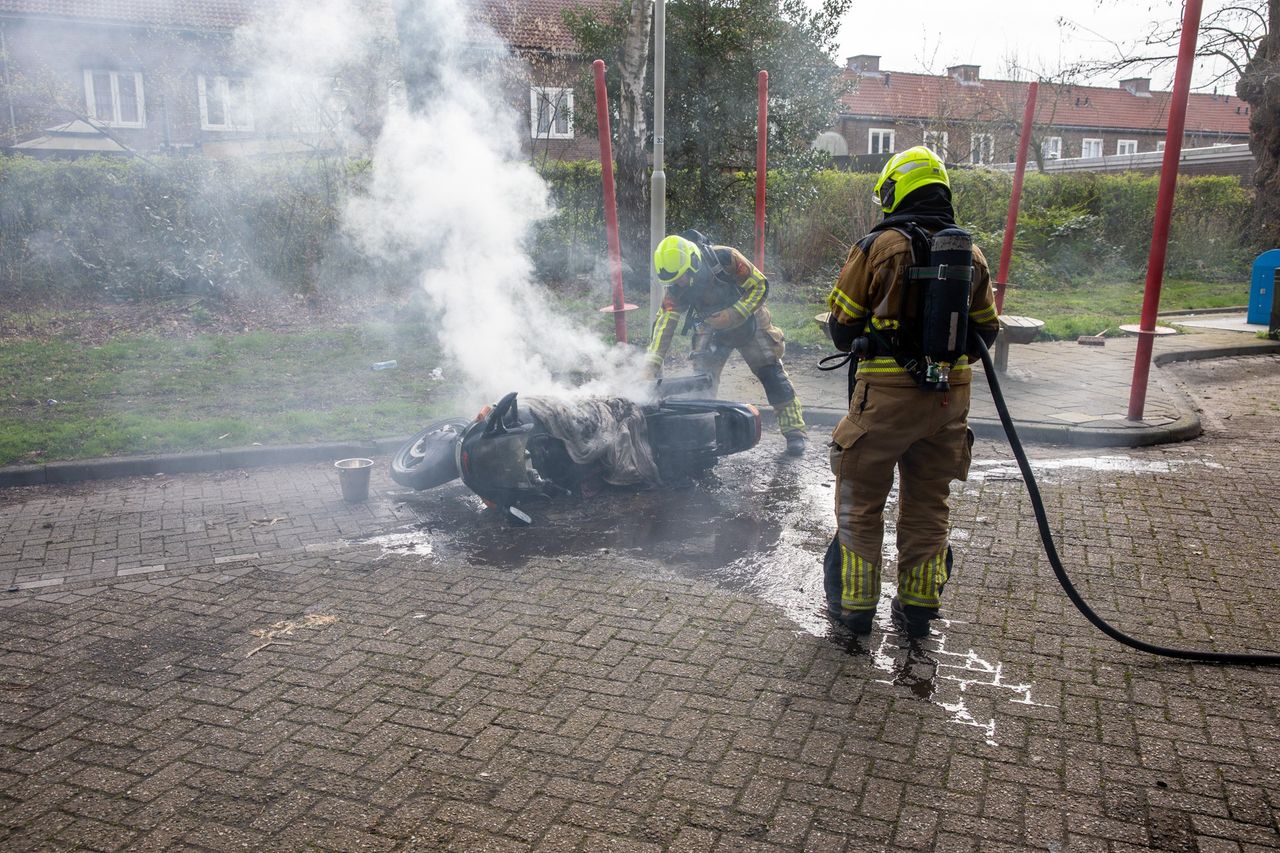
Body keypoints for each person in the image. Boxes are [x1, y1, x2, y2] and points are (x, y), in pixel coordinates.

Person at [823, 146, 999, 636]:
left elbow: (841, 326)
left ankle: (855, 611)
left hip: (884, 400)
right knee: (928, 504)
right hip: (949, 403)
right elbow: (987, 330)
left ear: (896, 190)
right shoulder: (972, 254)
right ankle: (918, 608)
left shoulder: (880, 246)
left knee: (859, 503)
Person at [648, 231, 808, 456]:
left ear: (693, 262)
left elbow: (760, 286)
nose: (678, 284)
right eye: (673, 281)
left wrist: (734, 314)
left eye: (681, 278)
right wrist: (651, 363)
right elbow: (665, 324)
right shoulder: (676, 286)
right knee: (702, 382)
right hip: (711, 328)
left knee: (772, 376)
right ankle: (703, 434)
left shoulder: (726, 259)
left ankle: (795, 433)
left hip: (750, 321)